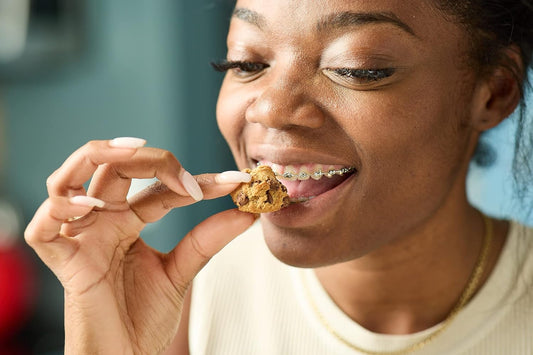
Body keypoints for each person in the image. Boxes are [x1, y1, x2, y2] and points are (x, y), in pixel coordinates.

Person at [24, 0, 533, 354]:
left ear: (493, 92)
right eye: (246, 62)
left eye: (357, 68)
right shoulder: (187, 306)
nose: (270, 108)